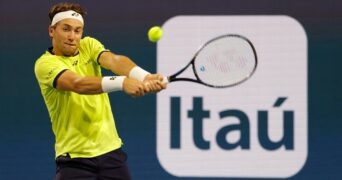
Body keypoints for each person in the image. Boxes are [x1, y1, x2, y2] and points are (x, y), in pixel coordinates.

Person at [34, 2, 166, 180]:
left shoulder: (88, 45)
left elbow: (114, 61)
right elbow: (77, 84)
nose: (72, 36)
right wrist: (122, 82)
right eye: (66, 29)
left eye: (77, 30)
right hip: (74, 159)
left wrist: (143, 76)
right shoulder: (44, 64)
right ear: (52, 31)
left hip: (111, 154)